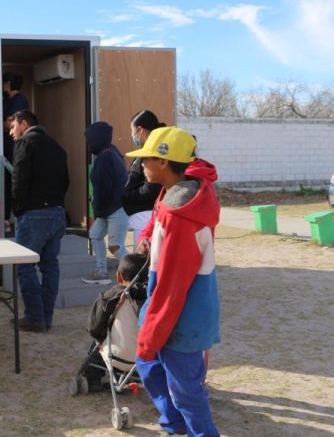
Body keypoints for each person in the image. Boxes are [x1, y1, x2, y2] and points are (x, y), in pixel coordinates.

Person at [125, 126, 221, 437]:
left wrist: (152, 333)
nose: (141, 164)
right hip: (174, 308)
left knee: (186, 391)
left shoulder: (179, 214)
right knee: (149, 366)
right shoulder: (175, 194)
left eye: (147, 158)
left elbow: (172, 285)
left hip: (182, 316)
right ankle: (175, 423)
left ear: (164, 162)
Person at [9, 110, 69, 333]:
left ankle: (35, 318)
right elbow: (66, 181)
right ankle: (46, 317)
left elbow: (19, 179)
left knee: (25, 265)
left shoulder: (25, 143)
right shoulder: (57, 147)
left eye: (13, 127)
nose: (11, 133)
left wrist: (18, 210)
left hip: (34, 214)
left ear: (24, 124)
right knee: (50, 266)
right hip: (57, 212)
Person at [81, 121, 130, 284]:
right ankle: (101, 271)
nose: (88, 144)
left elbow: (103, 188)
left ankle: (138, 272)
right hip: (111, 209)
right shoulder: (112, 152)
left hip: (114, 209)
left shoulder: (105, 157)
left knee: (115, 247)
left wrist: (98, 210)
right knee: (95, 235)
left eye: (89, 140)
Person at [122, 110, 165, 248]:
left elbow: (153, 185)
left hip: (146, 214)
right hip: (142, 215)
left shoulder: (154, 151)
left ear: (140, 130)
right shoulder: (146, 150)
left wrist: (128, 194)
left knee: (143, 255)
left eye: (132, 130)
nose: (132, 135)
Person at [86, 253, 148, 343]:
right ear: (147, 278)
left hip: (117, 350)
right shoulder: (152, 296)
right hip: (147, 347)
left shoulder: (107, 298)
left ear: (119, 276)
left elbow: (93, 329)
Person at [2, 73, 29, 231]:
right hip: (6, 146)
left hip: (13, 147)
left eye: (4, 83)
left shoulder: (19, 100)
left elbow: (9, 124)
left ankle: (9, 217)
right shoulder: (7, 100)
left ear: (9, 84)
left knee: (13, 180)